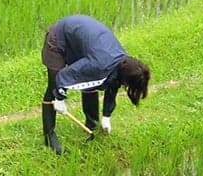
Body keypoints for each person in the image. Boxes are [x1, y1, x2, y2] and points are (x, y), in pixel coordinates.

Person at [40, 14, 151, 154]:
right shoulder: (99, 64)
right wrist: (59, 97)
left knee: (92, 79)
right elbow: (64, 75)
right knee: (53, 87)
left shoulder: (122, 62)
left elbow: (113, 85)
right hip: (58, 37)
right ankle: (49, 136)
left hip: (80, 41)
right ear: (126, 79)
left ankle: (92, 123)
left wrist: (106, 116)